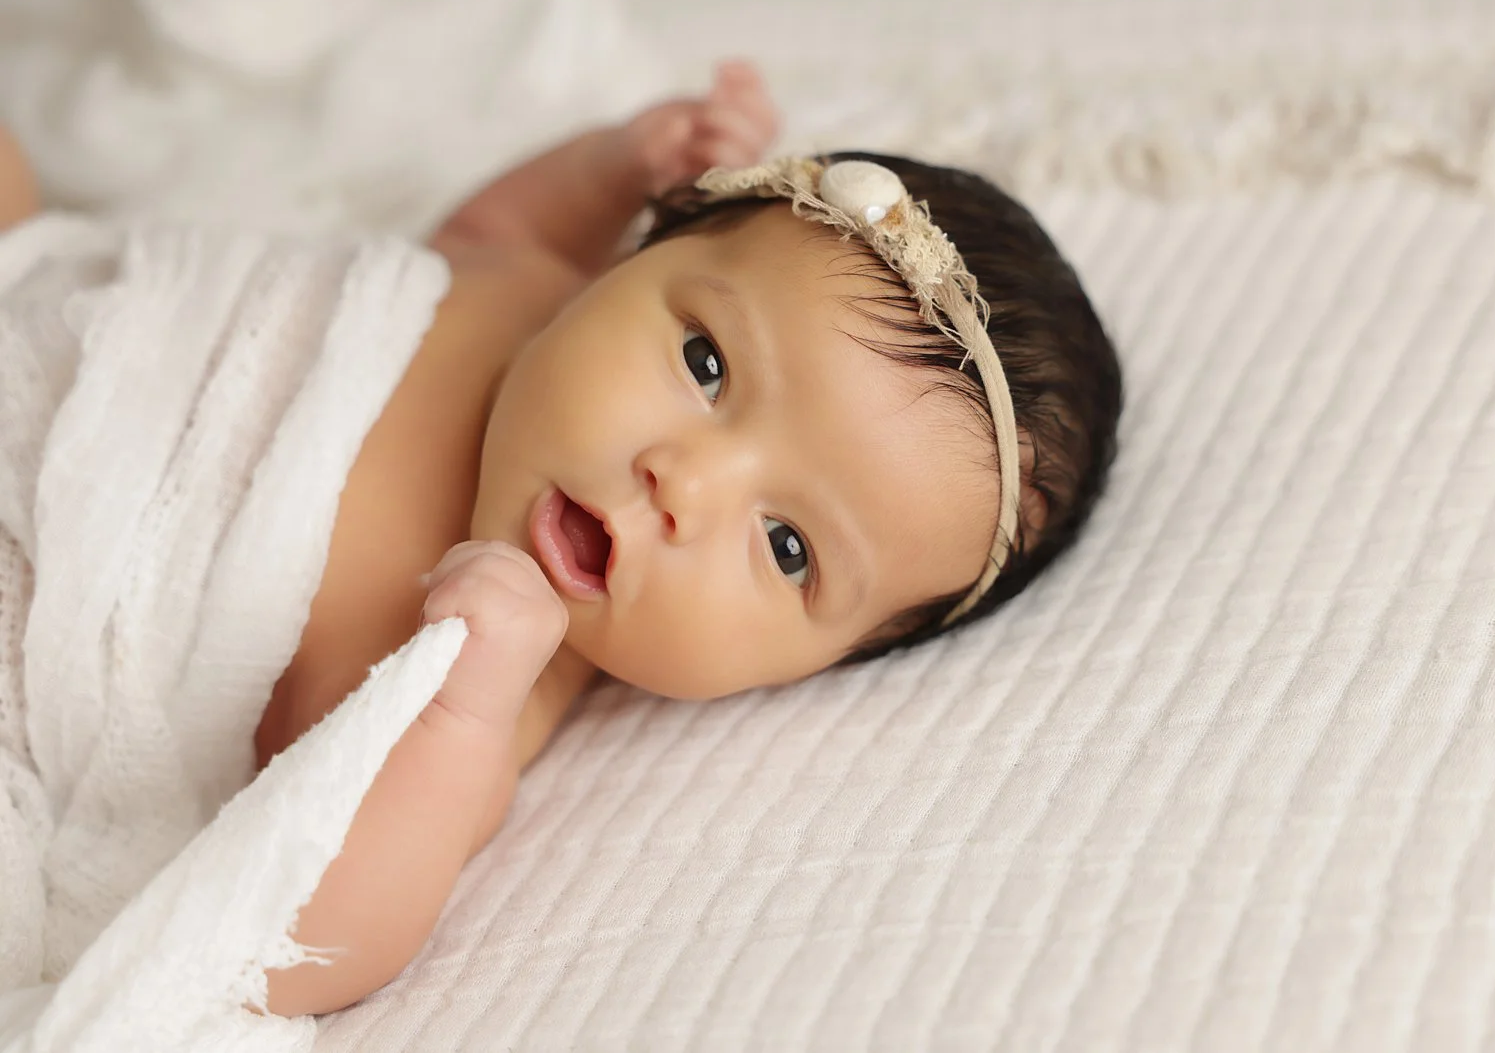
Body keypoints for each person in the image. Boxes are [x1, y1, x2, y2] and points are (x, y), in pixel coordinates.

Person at [0, 61, 1122, 1016]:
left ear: (805, 670)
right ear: (636, 257)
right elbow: (488, 229)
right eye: (708, 364)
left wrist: (459, 711)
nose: (683, 485)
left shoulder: (487, 678)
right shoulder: (531, 282)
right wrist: (608, 163)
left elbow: (297, 938)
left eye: (788, 547)